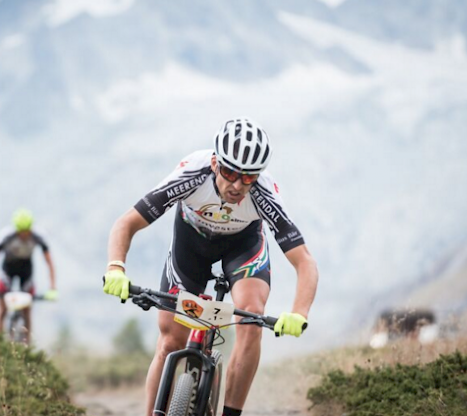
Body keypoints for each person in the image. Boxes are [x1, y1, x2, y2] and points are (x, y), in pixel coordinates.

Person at [103, 117, 319, 416]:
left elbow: (304, 261)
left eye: (248, 177)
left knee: (251, 316)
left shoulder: (264, 194)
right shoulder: (192, 173)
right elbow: (127, 223)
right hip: (191, 245)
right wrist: (116, 268)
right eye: (230, 172)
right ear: (216, 163)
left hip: (241, 247)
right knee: (169, 339)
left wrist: (299, 313)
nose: (237, 185)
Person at [0, 208, 58, 343]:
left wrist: (52, 287)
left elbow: (49, 262)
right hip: (8, 270)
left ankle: (27, 344)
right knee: (2, 307)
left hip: (26, 271)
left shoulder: (38, 236)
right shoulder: (6, 235)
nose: (23, 235)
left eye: (26, 231)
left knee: (27, 309)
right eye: (20, 232)